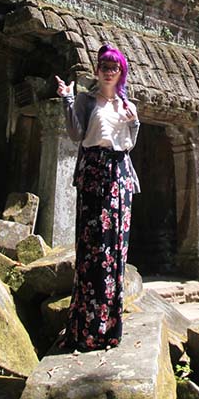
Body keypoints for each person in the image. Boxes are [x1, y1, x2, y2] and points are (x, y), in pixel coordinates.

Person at [55, 43, 140, 350]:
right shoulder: (86, 100)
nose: (108, 71)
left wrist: (134, 122)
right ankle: (85, 328)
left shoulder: (126, 105)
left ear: (121, 73)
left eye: (114, 67)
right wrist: (66, 99)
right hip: (93, 173)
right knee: (93, 249)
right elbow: (76, 134)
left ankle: (110, 329)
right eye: (103, 66)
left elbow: (130, 143)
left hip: (120, 177)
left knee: (115, 251)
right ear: (97, 71)